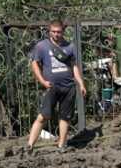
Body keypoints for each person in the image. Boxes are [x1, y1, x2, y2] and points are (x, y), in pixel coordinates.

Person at [26, 19, 86, 150]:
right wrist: (42, 81)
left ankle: (61, 145)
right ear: (49, 31)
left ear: (63, 31)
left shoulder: (70, 46)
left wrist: (81, 84)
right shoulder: (42, 46)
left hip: (68, 87)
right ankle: (29, 145)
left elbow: (74, 66)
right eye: (53, 31)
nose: (56, 34)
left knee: (65, 117)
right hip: (51, 87)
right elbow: (34, 64)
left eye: (59, 32)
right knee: (44, 115)